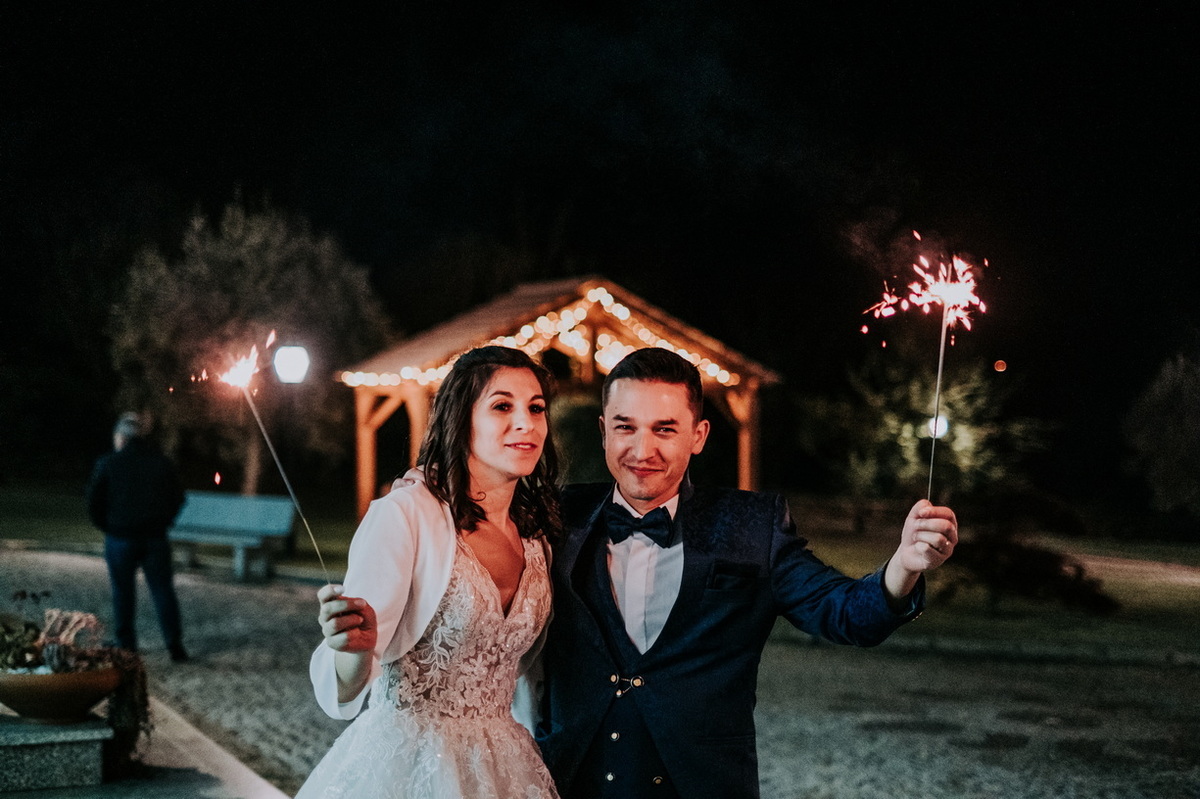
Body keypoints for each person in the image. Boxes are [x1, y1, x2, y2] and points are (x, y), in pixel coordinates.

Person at [536, 347, 959, 799]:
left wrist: (905, 564)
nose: (642, 450)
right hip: (567, 782)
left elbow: (847, 614)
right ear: (604, 431)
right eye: (626, 427)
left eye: (664, 429)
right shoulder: (557, 515)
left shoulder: (753, 527)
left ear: (698, 435)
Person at [296, 346, 563, 799]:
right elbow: (346, 683)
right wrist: (352, 648)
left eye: (536, 408)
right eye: (502, 406)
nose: (526, 423)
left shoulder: (537, 535)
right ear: (461, 420)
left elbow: (529, 676)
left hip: (506, 765)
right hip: (410, 763)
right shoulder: (405, 515)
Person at [85, 412, 188, 662]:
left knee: (122, 591)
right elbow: (178, 497)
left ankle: (126, 644)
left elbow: (93, 500)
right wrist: (165, 520)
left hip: (120, 537)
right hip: (154, 537)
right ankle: (174, 643)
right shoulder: (161, 463)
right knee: (162, 590)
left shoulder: (109, 463)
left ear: (121, 438)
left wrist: (107, 525)